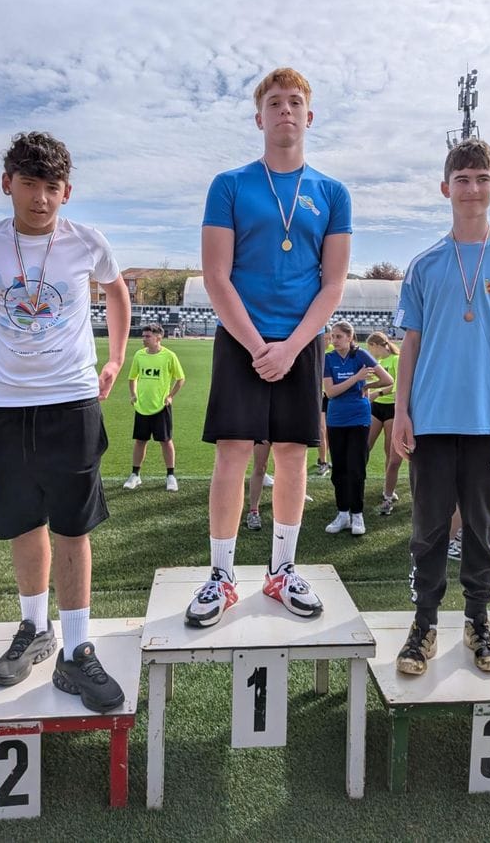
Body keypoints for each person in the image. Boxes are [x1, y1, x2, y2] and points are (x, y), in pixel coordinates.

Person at [0, 131, 131, 711]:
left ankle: (78, 649)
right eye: (29, 184)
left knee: (72, 527)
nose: (40, 198)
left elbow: (116, 291)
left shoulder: (88, 242)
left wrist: (116, 357)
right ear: (8, 183)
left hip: (72, 400)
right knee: (23, 520)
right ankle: (35, 630)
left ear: (67, 192)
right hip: (6, 404)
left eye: (51, 187)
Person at [186, 67, 351, 628]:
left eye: (295, 102)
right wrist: (260, 346)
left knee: (292, 454)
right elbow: (216, 276)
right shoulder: (229, 185)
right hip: (242, 338)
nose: (285, 111)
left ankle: (282, 570)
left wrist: (292, 347)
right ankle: (221, 576)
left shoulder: (332, 193)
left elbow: (332, 284)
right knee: (232, 452)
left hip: (302, 341)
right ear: (259, 117)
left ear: (309, 116)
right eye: (275, 103)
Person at [392, 138, 490, 676]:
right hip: (432, 418)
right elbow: (409, 343)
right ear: (445, 189)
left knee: (482, 526)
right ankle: (424, 622)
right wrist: (401, 411)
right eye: (462, 179)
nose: (472, 187)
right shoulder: (424, 265)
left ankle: (479, 620)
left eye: (481, 178)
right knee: (430, 527)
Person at [323, 321, 392, 536]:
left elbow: (387, 379)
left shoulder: (361, 356)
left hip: (359, 419)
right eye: (332, 336)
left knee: (356, 467)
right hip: (336, 420)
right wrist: (357, 380)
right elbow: (331, 392)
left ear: (350, 338)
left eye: (338, 337)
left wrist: (367, 387)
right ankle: (342, 513)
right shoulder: (328, 359)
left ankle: (357, 514)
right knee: (340, 469)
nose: (334, 341)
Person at [123, 324, 185, 492]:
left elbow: (180, 378)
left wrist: (171, 396)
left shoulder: (169, 356)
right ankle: (135, 475)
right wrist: (133, 394)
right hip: (142, 406)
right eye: (143, 336)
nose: (144, 338)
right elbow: (132, 377)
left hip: (161, 406)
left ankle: (171, 476)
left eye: (147, 336)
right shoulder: (139, 355)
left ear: (158, 338)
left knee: (165, 441)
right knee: (140, 440)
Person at [366, 331, 402, 515]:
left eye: (371, 348)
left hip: (392, 409)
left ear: (377, 345)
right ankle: (355, 483)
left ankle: (388, 491)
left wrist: (377, 393)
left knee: (391, 452)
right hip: (376, 408)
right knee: (365, 446)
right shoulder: (378, 363)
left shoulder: (396, 359)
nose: (371, 352)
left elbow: (397, 387)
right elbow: (374, 382)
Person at [314, 326, 334, 476]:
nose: (328, 342)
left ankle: (325, 457)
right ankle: (323, 461)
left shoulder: (333, 352)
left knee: (329, 430)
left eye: (329, 338)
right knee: (321, 429)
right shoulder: (316, 350)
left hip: (332, 395)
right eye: (325, 338)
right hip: (319, 395)